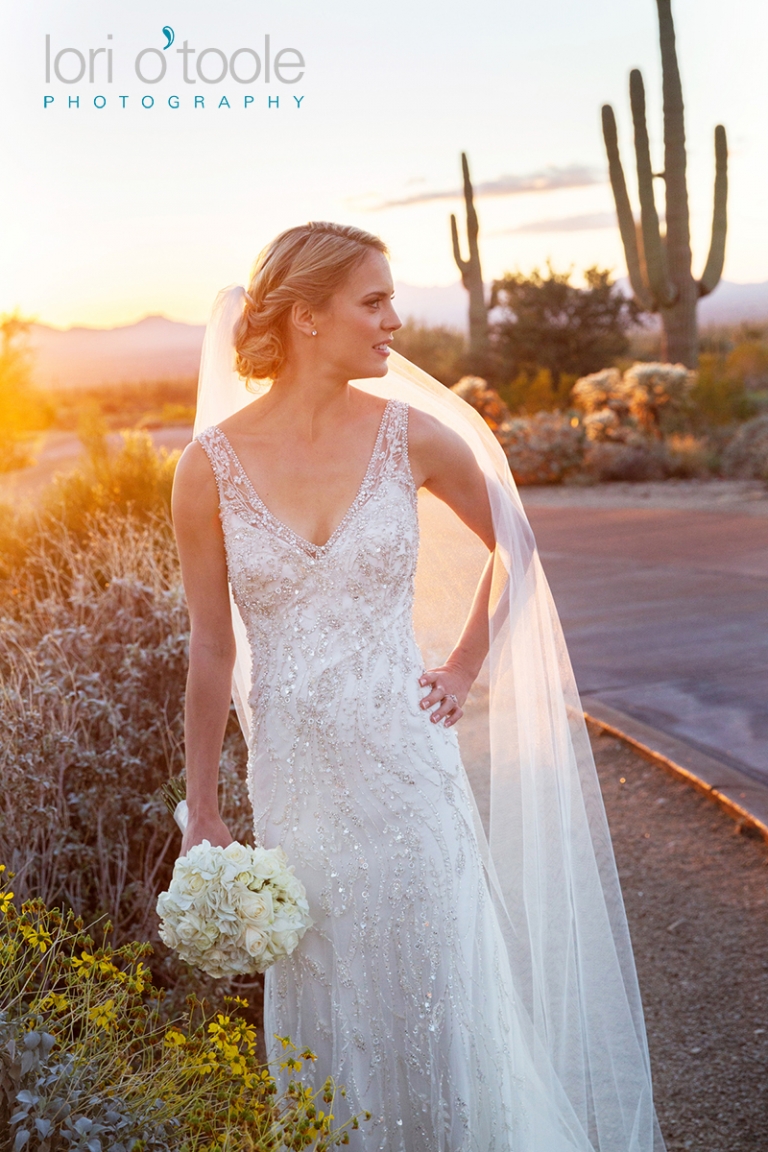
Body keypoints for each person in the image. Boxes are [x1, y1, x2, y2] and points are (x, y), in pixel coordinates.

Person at [171, 221, 665, 1151]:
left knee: (440, 994)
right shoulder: (207, 469)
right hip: (298, 788)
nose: (395, 321)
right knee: (329, 1000)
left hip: (409, 773)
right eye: (374, 301)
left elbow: (515, 547)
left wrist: (465, 663)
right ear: (308, 317)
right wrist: (201, 804)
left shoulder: (417, 438)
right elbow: (210, 650)